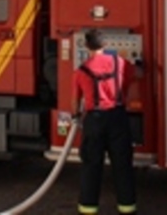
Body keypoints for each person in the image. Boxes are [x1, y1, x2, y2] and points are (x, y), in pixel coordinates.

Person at [72, 28, 137, 215]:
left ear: (86, 46)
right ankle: (127, 208)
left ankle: (88, 209)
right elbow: (137, 74)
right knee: (123, 165)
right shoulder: (121, 63)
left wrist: (76, 116)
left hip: (94, 120)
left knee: (91, 166)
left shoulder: (81, 71)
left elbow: (75, 104)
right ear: (106, 44)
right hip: (118, 118)